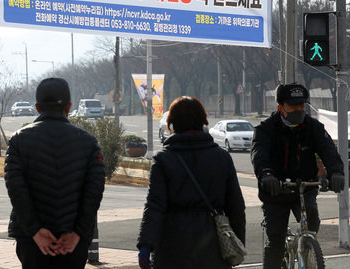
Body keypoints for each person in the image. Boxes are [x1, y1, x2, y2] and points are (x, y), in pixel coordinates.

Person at [4, 77, 105, 269]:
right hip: (73, 240)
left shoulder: (19, 140)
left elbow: (16, 189)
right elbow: (94, 190)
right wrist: (77, 232)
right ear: (69, 106)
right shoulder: (88, 142)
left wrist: (34, 230)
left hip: (31, 240)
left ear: (37, 107)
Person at [137, 96, 246, 269]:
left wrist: (145, 244)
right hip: (214, 244)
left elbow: (155, 206)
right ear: (202, 121)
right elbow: (236, 206)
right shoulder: (221, 157)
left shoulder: (164, 159)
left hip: (173, 244)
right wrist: (237, 243)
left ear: (172, 124)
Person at [251, 83, 345, 268]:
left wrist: (337, 172)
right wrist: (266, 175)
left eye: (302, 105)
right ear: (280, 107)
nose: (299, 110)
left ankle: (307, 248)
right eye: (293, 106)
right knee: (276, 240)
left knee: (311, 223)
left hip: (305, 186)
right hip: (275, 190)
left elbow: (329, 152)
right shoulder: (265, 129)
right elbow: (259, 155)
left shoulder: (314, 127)